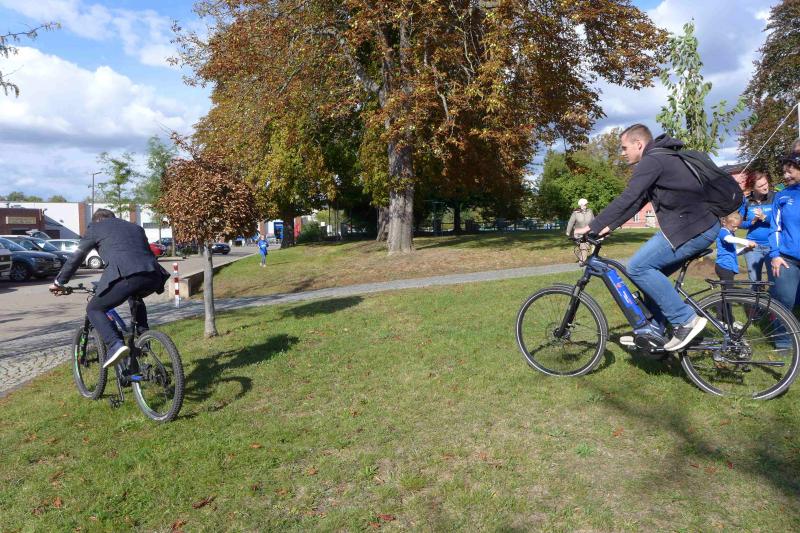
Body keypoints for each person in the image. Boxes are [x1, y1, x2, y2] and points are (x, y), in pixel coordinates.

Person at [574, 124, 720, 352]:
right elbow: (638, 201)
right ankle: (654, 330)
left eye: (624, 148)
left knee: (637, 268)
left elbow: (628, 197)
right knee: (652, 277)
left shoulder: (652, 161)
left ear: (638, 144)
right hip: (699, 226)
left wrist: (592, 225)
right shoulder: (661, 158)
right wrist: (610, 225)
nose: (622, 153)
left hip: (691, 228)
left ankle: (685, 320)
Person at [49, 209, 170, 369]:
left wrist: (59, 282)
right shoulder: (135, 227)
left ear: (97, 221)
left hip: (126, 275)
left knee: (94, 308)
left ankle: (115, 344)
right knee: (135, 296)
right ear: (113, 218)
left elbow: (77, 256)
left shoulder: (96, 228)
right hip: (153, 275)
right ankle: (144, 337)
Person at [769, 152, 800, 311]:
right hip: (788, 260)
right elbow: (775, 228)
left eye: (790, 171)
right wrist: (775, 254)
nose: (786, 176)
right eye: (784, 172)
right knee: (785, 303)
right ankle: (781, 329)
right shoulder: (781, 196)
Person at [739, 171, 775, 284]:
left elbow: (781, 222)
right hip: (752, 247)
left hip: (772, 246)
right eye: (760, 186)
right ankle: (755, 296)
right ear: (752, 188)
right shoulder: (746, 201)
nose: (765, 187)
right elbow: (739, 223)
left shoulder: (775, 197)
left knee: (774, 282)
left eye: (766, 183)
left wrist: (764, 217)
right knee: (754, 282)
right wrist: (753, 221)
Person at [715, 212, 756, 283]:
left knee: (727, 288)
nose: (736, 229)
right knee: (728, 289)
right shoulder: (723, 231)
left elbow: (734, 252)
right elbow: (728, 239)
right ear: (724, 223)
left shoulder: (731, 233)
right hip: (724, 266)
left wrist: (745, 249)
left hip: (730, 266)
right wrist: (747, 242)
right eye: (734, 226)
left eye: (737, 226)